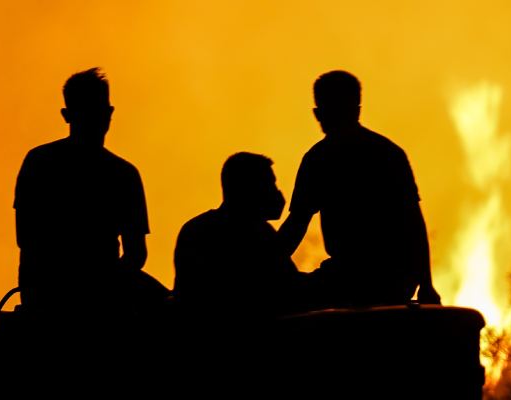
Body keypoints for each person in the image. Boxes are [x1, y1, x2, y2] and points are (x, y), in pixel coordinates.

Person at [278, 70, 441, 307]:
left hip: (372, 278)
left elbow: (296, 225)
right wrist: (426, 284)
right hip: (383, 277)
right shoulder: (388, 152)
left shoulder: (319, 159)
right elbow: (414, 223)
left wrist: (427, 285)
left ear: (318, 113)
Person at [13, 67, 164, 314]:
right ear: (67, 115)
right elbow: (28, 240)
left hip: (70, 292)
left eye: (102, 111)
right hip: (59, 296)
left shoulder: (39, 161)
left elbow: (136, 254)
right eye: (91, 111)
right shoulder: (122, 174)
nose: (99, 118)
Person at [174, 152, 303, 316]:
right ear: (247, 189)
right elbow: (288, 286)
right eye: (269, 185)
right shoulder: (250, 234)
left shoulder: (195, 228)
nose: (277, 193)